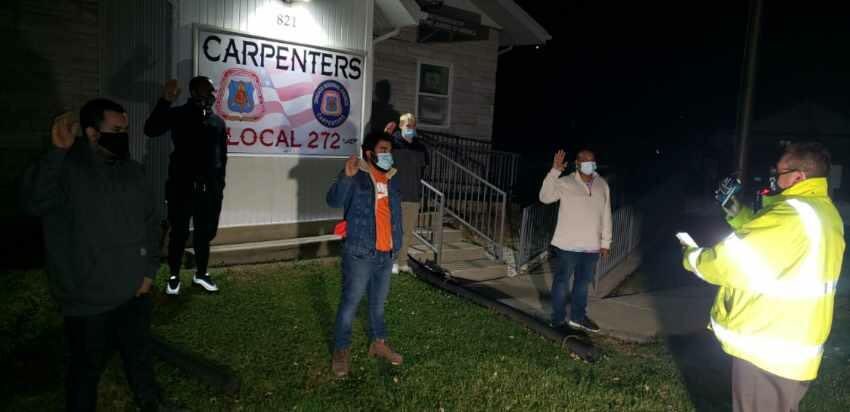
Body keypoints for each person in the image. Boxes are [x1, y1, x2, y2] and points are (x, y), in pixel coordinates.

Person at [20, 100, 168, 411]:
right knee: (85, 371)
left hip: (133, 292)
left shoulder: (132, 171)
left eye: (125, 130)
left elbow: (151, 224)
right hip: (88, 300)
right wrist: (56, 154)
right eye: (115, 130)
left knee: (140, 360)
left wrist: (148, 272)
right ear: (91, 133)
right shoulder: (67, 169)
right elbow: (33, 202)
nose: (122, 136)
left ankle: (151, 403)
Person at [682, 142, 844, 412]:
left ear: (798, 177)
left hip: (768, 346)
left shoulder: (790, 214)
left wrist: (692, 256)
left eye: (779, 171)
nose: (774, 176)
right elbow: (780, 248)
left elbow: (726, 263)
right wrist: (739, 215)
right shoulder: (819, 211)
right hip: (791, 342)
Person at [326, 131, 404, 377]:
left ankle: (378, 343)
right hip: (360, 253)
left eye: (389, 150)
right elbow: (333, 200)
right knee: (350, 304)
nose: (387, 155)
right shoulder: (357, 177)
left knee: (378, 305)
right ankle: (341, 350)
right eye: (383, 150)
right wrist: (346, 178)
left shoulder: (390, 180)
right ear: (369, 153)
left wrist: (397, 244)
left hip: (385, 253)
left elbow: (393, 216)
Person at [144, 76, 228, 295]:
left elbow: (222, 157)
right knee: (179, 233)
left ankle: (201, 274)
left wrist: (219, 187)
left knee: (204, 234)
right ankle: (174, 276)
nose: (211, 95)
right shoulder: (179, 114)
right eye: (206, 91)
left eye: (212, 91)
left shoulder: (218, 122)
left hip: (209, 191)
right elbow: (151, 129)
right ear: (193, 92)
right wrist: (165, 101)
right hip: (181, 187)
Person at [539, 149, 612, 333]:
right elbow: (545, 197)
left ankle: (578, 318)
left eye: (592, 159)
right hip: (567, 246)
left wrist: (605, 243)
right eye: (585, 160)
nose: (590, 162)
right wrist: (554, 171)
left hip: (592, 247)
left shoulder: (602, 184)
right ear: (577, 163)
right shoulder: (566, 182)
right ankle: (557, 320)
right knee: (562, 283)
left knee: (582, 284)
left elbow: (606, 215)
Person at [384, 113, 429, 273]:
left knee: (407, 232)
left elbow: (422, 171)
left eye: (413, 126)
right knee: (395, 230)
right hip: (396, 194)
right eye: (407, 125)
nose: (411, 129)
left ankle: (403, 262)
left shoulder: (420, 147)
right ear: (401, 126)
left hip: (413, 196)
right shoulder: (393, 143)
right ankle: (393, 261)